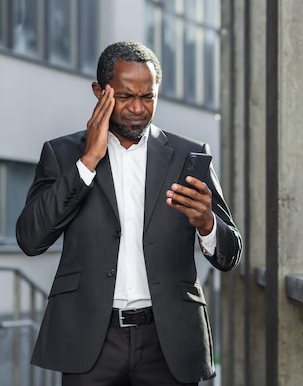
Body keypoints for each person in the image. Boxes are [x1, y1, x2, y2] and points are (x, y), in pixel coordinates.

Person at [16, 41, 243, 386]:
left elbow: (231, 254)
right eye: (124, 97)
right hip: (91, 341)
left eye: (148, 97)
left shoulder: (188, 155)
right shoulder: (62, 154)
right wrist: (87, 163)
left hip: (168, 342)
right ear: (99, 91)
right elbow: (30, 239)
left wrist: (207, 224)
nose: (138, 108)